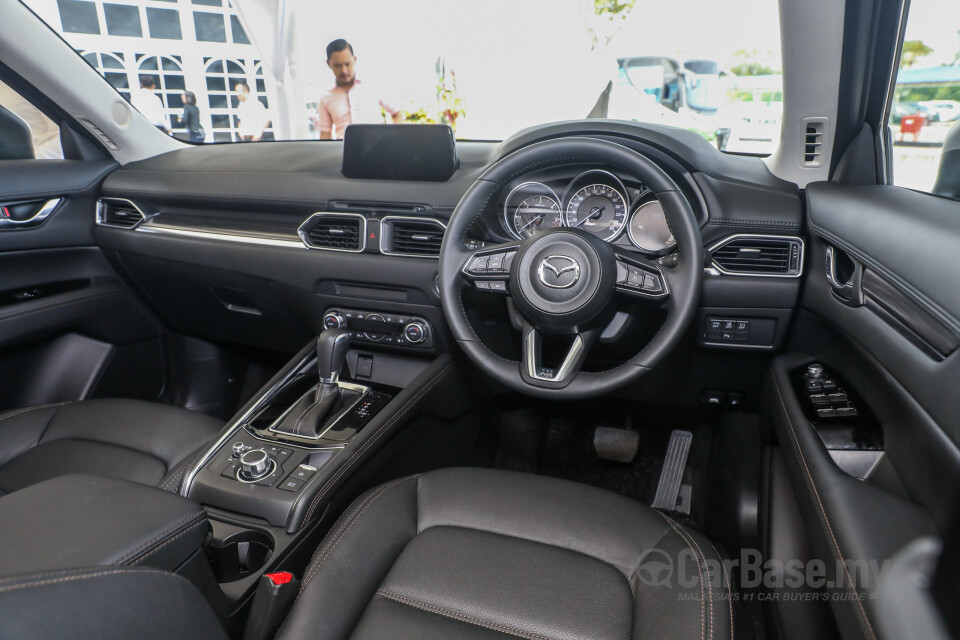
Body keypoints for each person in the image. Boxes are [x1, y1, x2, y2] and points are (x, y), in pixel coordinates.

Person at [318, 39, 403, 140]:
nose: (343, 70)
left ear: (354, 59)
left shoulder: (373, 85)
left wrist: (390, 140)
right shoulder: (325, 98)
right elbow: (325, 136)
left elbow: (397, 114)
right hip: (343, 152)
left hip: (377, 149)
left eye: (347, 64)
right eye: (337, 66)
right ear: (328, 64)